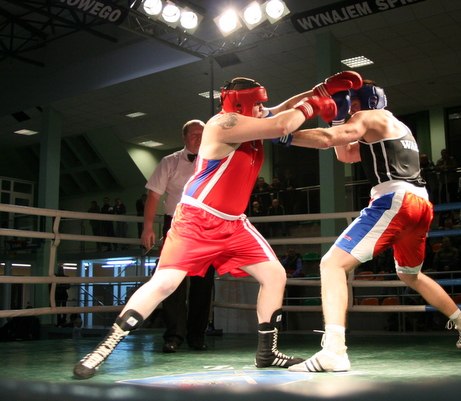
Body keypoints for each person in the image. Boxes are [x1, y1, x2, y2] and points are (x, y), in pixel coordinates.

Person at [73, 71, 352, 379]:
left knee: (274, 275)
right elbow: (283, 124)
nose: (263, 109)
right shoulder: (222, 124)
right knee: (165, 284)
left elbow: (281, 111)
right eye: (258, 104)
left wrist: (319, 90)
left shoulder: (252, 118)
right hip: (197, 220)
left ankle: (267, 353)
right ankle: (103, 349)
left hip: (234, 224)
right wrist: (313, 105)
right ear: (242, 105)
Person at [287, 80, 461, 373]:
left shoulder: (368, 116)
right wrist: (338, 120)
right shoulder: (396, 126)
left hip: (395, 201)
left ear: (365, 101)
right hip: (421, 205)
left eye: (352, 103)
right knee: (410, 275)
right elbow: (345, 153)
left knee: (331, 264)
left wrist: (283, 134)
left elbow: (328, 139)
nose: (349, 110)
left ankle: (334, 352)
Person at [141, 119, 214, 353]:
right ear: (184, 138)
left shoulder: (215, 159)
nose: (198, 138)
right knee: (173, 283)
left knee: (203, 284)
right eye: (193, 134)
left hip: (206, 226)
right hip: (176, 225)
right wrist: (148, 227)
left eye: (202, 133)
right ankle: (173, 336)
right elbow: (154, 196)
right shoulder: (169, 162)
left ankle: (197, 336)